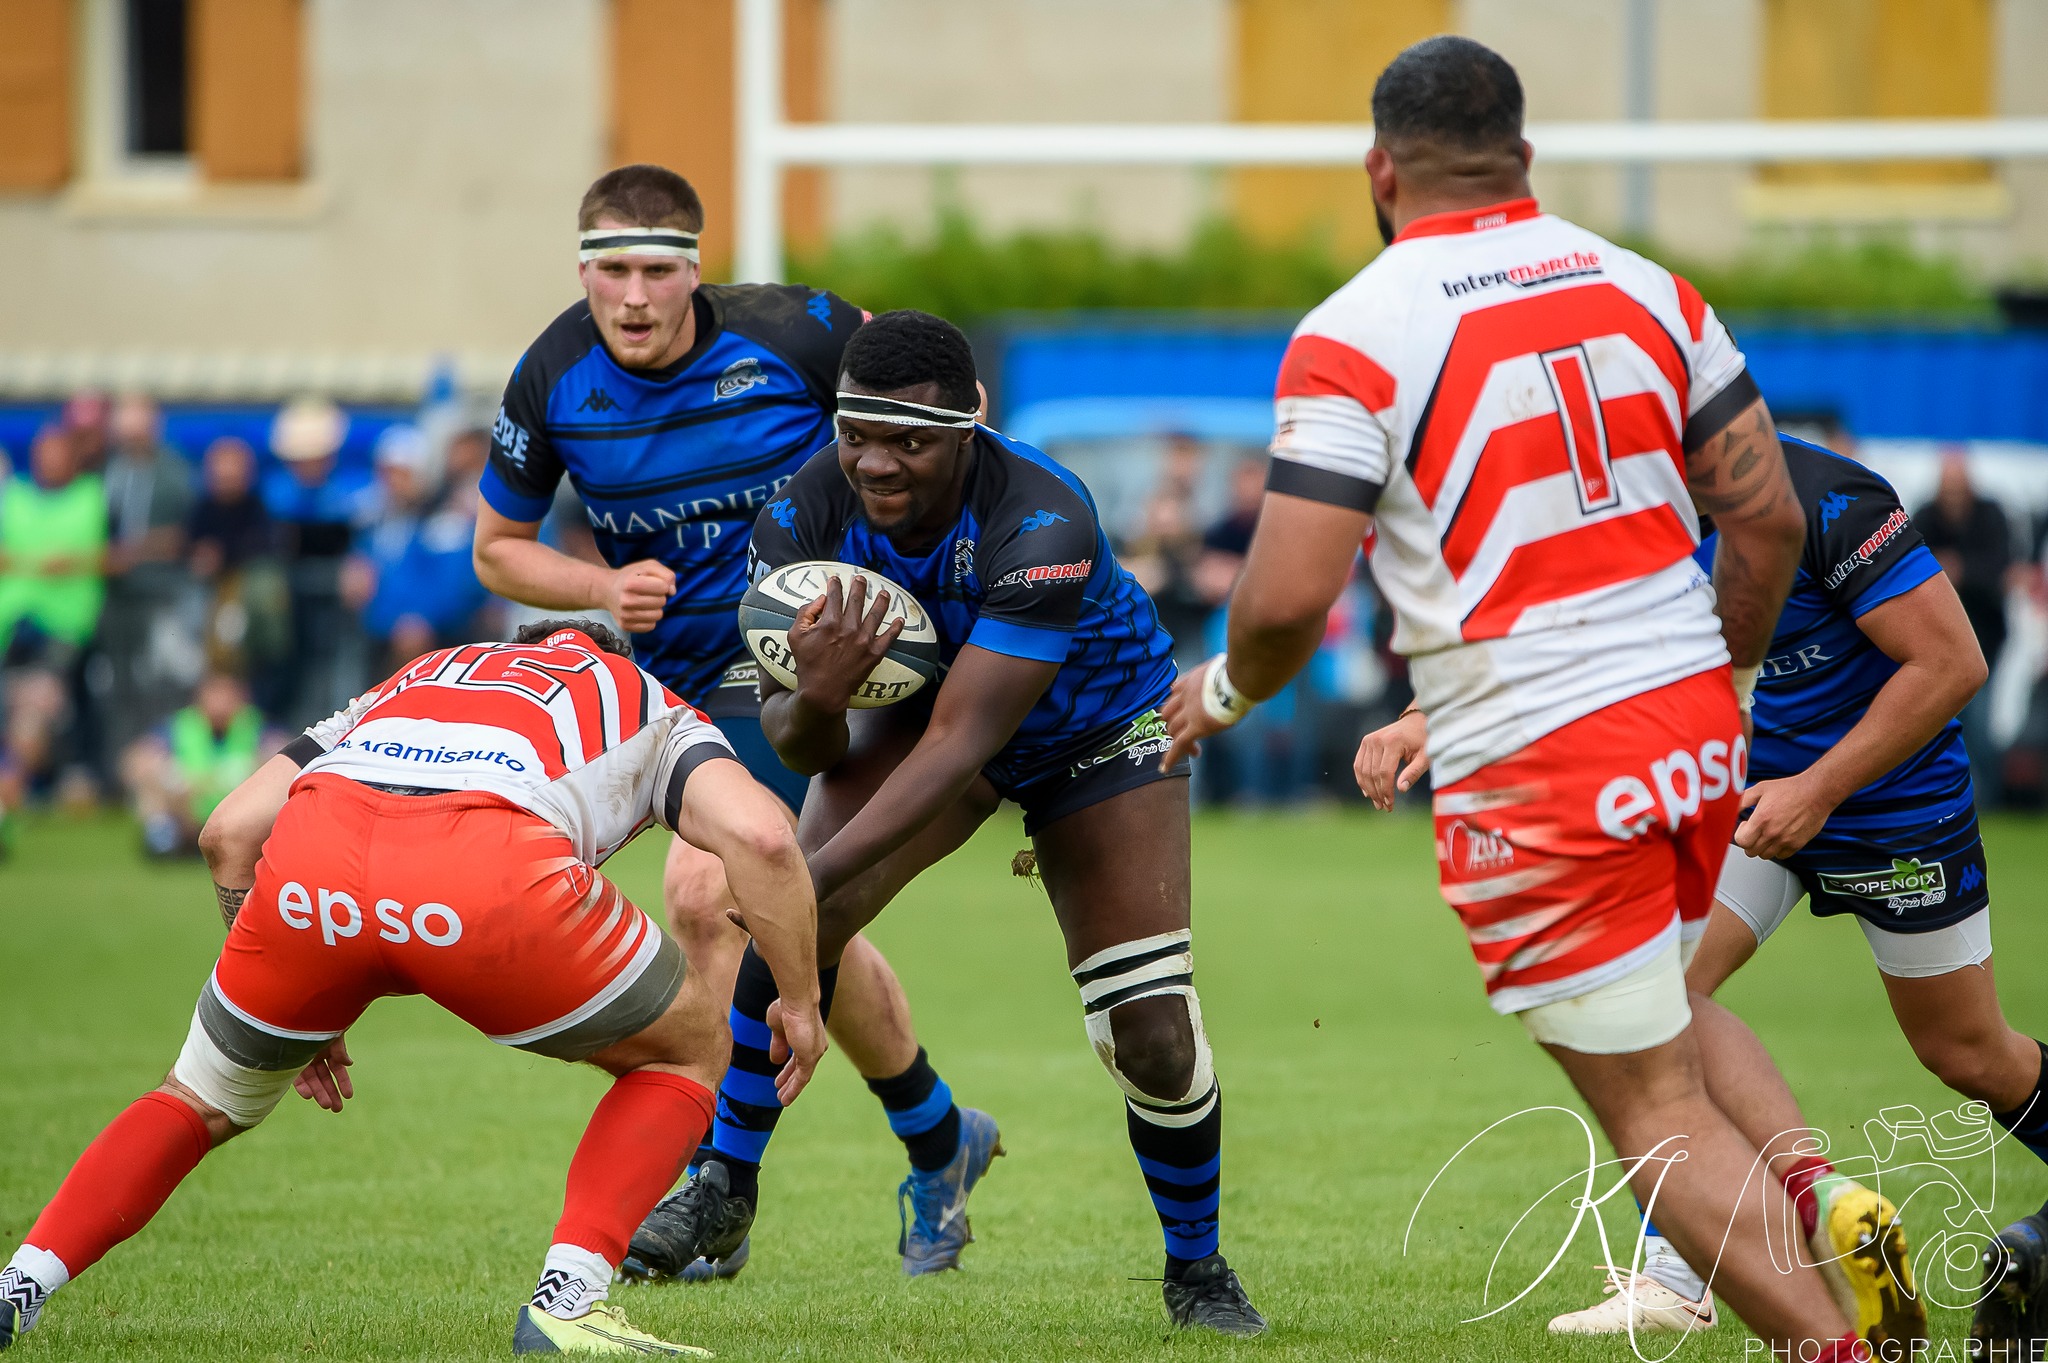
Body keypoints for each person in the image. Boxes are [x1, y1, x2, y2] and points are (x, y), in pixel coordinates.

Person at [1160, 37, 1873, 1360]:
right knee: (1677, 1013)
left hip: (1541, 762)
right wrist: (1717, 671)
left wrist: (1218, 692)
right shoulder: (1652, 287)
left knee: (1654, 1108)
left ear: (1379, 169)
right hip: (1698, 730)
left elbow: (1278, 601)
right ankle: (1825, 1204)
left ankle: (1840, 1348)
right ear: (1525, 156)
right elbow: (1767, 521)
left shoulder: (1356, 331)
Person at [0, 619, 824, 1356]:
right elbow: (760, 838)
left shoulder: (420, 673)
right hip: (490, 878)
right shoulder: (642, 694)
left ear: (515, 647)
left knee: (195, 1097)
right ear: (603, 655)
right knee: (688, 1048)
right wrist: (799, 997)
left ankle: (20, 1285)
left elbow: (228, 832)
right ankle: (568, 1300)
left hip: (312, 870)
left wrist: (299, 997)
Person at [693, 308, 1265, 1334]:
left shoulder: (1042, 515)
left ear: (970, 421)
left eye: (907, 440)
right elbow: (800, 745)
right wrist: (815, 697)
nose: (874, 463)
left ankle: (1197, 1269)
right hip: (924, 720)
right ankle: (721, 1186)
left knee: (1151, 1034)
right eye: (854, 434)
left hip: (1094, 735)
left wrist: (800, 887)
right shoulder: (799, 516)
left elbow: (966, 742)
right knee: (802, 915)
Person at [472, 164, 980, 1280]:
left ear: (695, 267)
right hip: (672, 689)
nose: (636, 294)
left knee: (711, 891)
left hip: (808, 677)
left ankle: (713, 1185)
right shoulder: (553, 375)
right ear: (582, 272)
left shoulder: (795, 332)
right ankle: (937, 1132)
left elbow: (934, 432)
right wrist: (597, 589)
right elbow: (496, 549)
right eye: (612, 269)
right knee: (782, 908)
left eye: (658, 268)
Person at [0, 423, 109, 806]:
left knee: (37, 704)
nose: (51, 462)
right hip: (14, 622)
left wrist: (76, 562)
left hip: (66, 623)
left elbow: (119, 554)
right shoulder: (13, 497)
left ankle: (10, 790)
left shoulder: (94, 496)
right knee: (19, 706)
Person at [262, 395, 372, 728]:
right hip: (289, 610)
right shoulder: (276, 495)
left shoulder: (352, 494)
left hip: (338, 613)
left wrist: (357, 565)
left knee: (337, 671)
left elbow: (363, 545)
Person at [100, 393, 199, 760]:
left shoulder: (174, 473)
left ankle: (163, 758)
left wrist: (132, 553)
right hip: (117, 595)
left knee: (162, 681)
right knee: (117, 683)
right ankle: (122, 762)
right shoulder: (110, 471)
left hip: (161, 593)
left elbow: (182, 536)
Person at [1914, 450, 2016, 807]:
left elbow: (2002, 570)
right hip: (1938, 643)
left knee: (1982, 726)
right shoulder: (1925, 515)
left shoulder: (1990, 515)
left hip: (1986, 639)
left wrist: (1959, 571)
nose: (1954, 496)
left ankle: (1989, 799)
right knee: (1945, 726)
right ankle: (1952, 798)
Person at [119, 668, 279, 857]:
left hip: (237, 816)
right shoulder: (181, 725)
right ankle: (164, 839)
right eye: (214, 692)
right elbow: (134, 761)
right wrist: (169, 774)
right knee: (153, 778)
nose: (221, 702)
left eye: (227, 693)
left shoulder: (254, 726)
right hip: (187, 811)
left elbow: (282, 751)